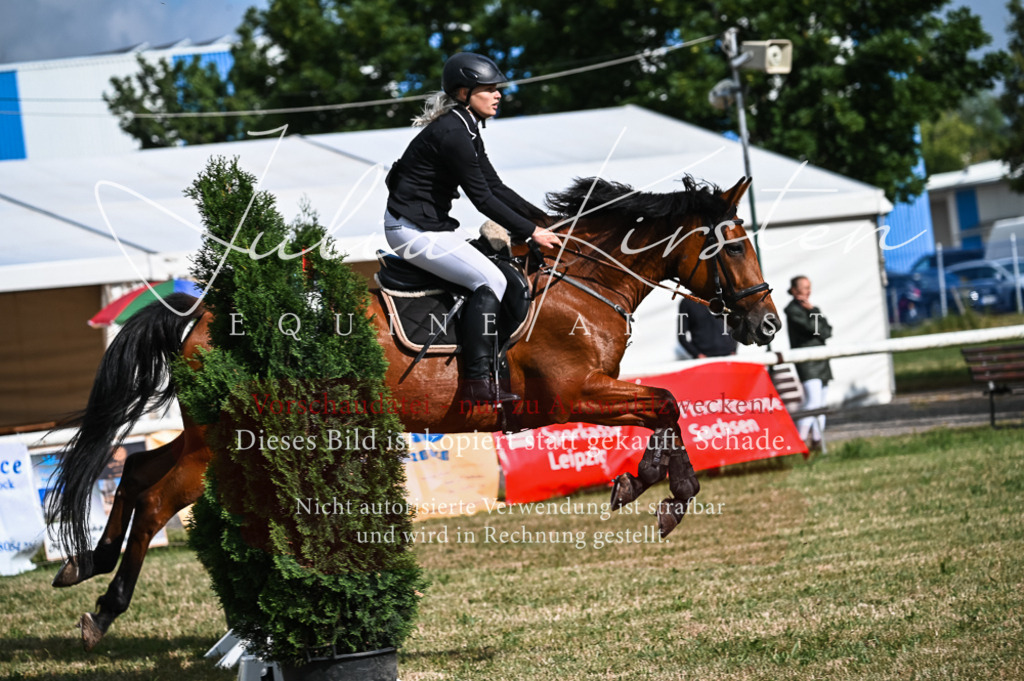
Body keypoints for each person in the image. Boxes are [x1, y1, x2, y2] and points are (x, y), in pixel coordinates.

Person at [383, 52, 559, 405]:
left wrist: (544, 221)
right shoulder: (452, 132)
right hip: (410, 231)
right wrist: (529, 232)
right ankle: (476, 382)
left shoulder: (466, 127)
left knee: (507, 278)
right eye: (489, 89)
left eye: (497, 89)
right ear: (464, 92)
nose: (498, 95)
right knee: (490, 280)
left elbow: (496, 187)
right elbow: (481, 199)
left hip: (428, 228)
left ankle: (495, 364)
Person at [784, 275, 833, 450]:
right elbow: (814, 329)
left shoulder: (813, 309)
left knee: (821, 401)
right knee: (813, 401)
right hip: (807, 362)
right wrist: (814, 312)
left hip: (821, 360)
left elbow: (826, 332)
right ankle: (800, 439)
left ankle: (818, 440)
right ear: (795, 290)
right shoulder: (792, 310)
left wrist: (813, 310)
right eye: (805, 287)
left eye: (809, 287)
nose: (808, 291)